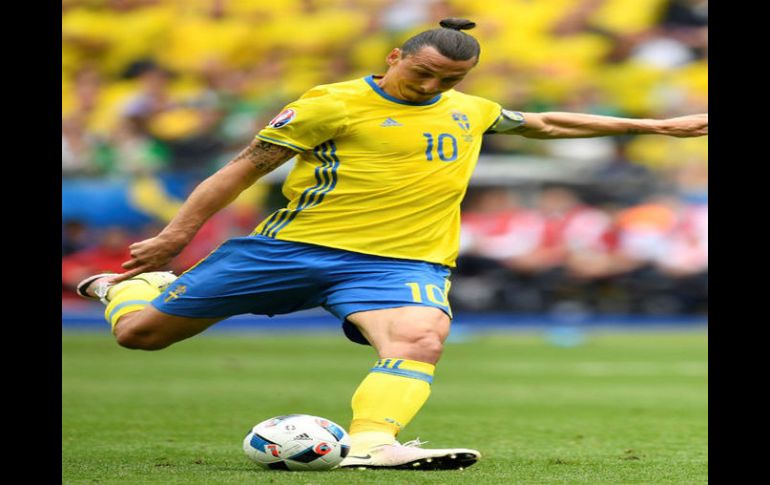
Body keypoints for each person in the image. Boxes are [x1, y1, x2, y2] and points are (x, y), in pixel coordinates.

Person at [76, 18, 707, 471]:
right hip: (292, 250)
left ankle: (375, 443)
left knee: (421, 336)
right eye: (423, 72)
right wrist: (177, 235)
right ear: (395, 55)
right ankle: (123, 289)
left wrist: (652, 125)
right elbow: (243, 167)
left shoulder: (468, 108)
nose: (431, 87)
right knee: (140, 335)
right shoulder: (329, 105)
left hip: (399, 262)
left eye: (449, 79)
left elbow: (542, 121)